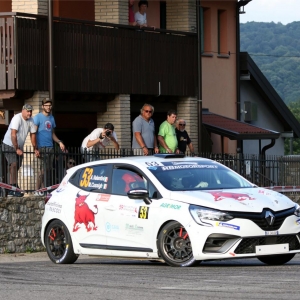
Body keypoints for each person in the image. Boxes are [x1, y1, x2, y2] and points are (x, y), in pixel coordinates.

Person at [2, 104, 39, 197]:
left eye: (30, 111)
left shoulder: (31, 120)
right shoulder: (17, 118)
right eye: (27, 111)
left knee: (17, 166)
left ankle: (13, 187)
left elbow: (33, 135)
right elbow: (13, 134)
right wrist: (17, 149)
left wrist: (35, 149)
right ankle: (12, 188)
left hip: (19, 146)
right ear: (23, 110)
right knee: (13, 164)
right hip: (9, 144)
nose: (29, 113)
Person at [34, 98, 65, 190]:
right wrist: (36, 148)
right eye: (46, 105)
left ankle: (42, 190)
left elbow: (52, 133)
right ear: (42, 106)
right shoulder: (38, 117)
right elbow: (33, 133)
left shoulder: (51, 118)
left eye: (50, 105)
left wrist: (59, 142)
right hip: (41, 147)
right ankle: (36, 190)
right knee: (43, 170)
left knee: (46, 169)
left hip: (50, 147)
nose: (48, 107)